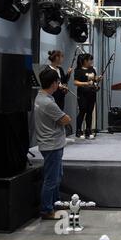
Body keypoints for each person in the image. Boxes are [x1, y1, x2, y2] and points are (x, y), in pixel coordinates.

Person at [34, 69, 71, 220]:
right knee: (51, 179)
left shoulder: (41, 96)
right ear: (54, 83)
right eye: (58, 81)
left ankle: (55, 202)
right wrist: (68, 117)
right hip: (51, 144)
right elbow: (65, 120)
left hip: (51, 143)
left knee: (57, 176)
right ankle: (47, 210)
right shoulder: (48, 103)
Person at [74, 54, 102, 139]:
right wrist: (86, 83)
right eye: (90, 60)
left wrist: (97, 79)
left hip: (92, 93)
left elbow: (94, 80)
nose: (91, 61)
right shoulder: (78, 70)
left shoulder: (92, 69)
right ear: (85, 61)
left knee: (90, 112)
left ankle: (88, 130)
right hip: (82, 94)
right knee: (82, 111)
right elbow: (75, 82)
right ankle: (78, 130)